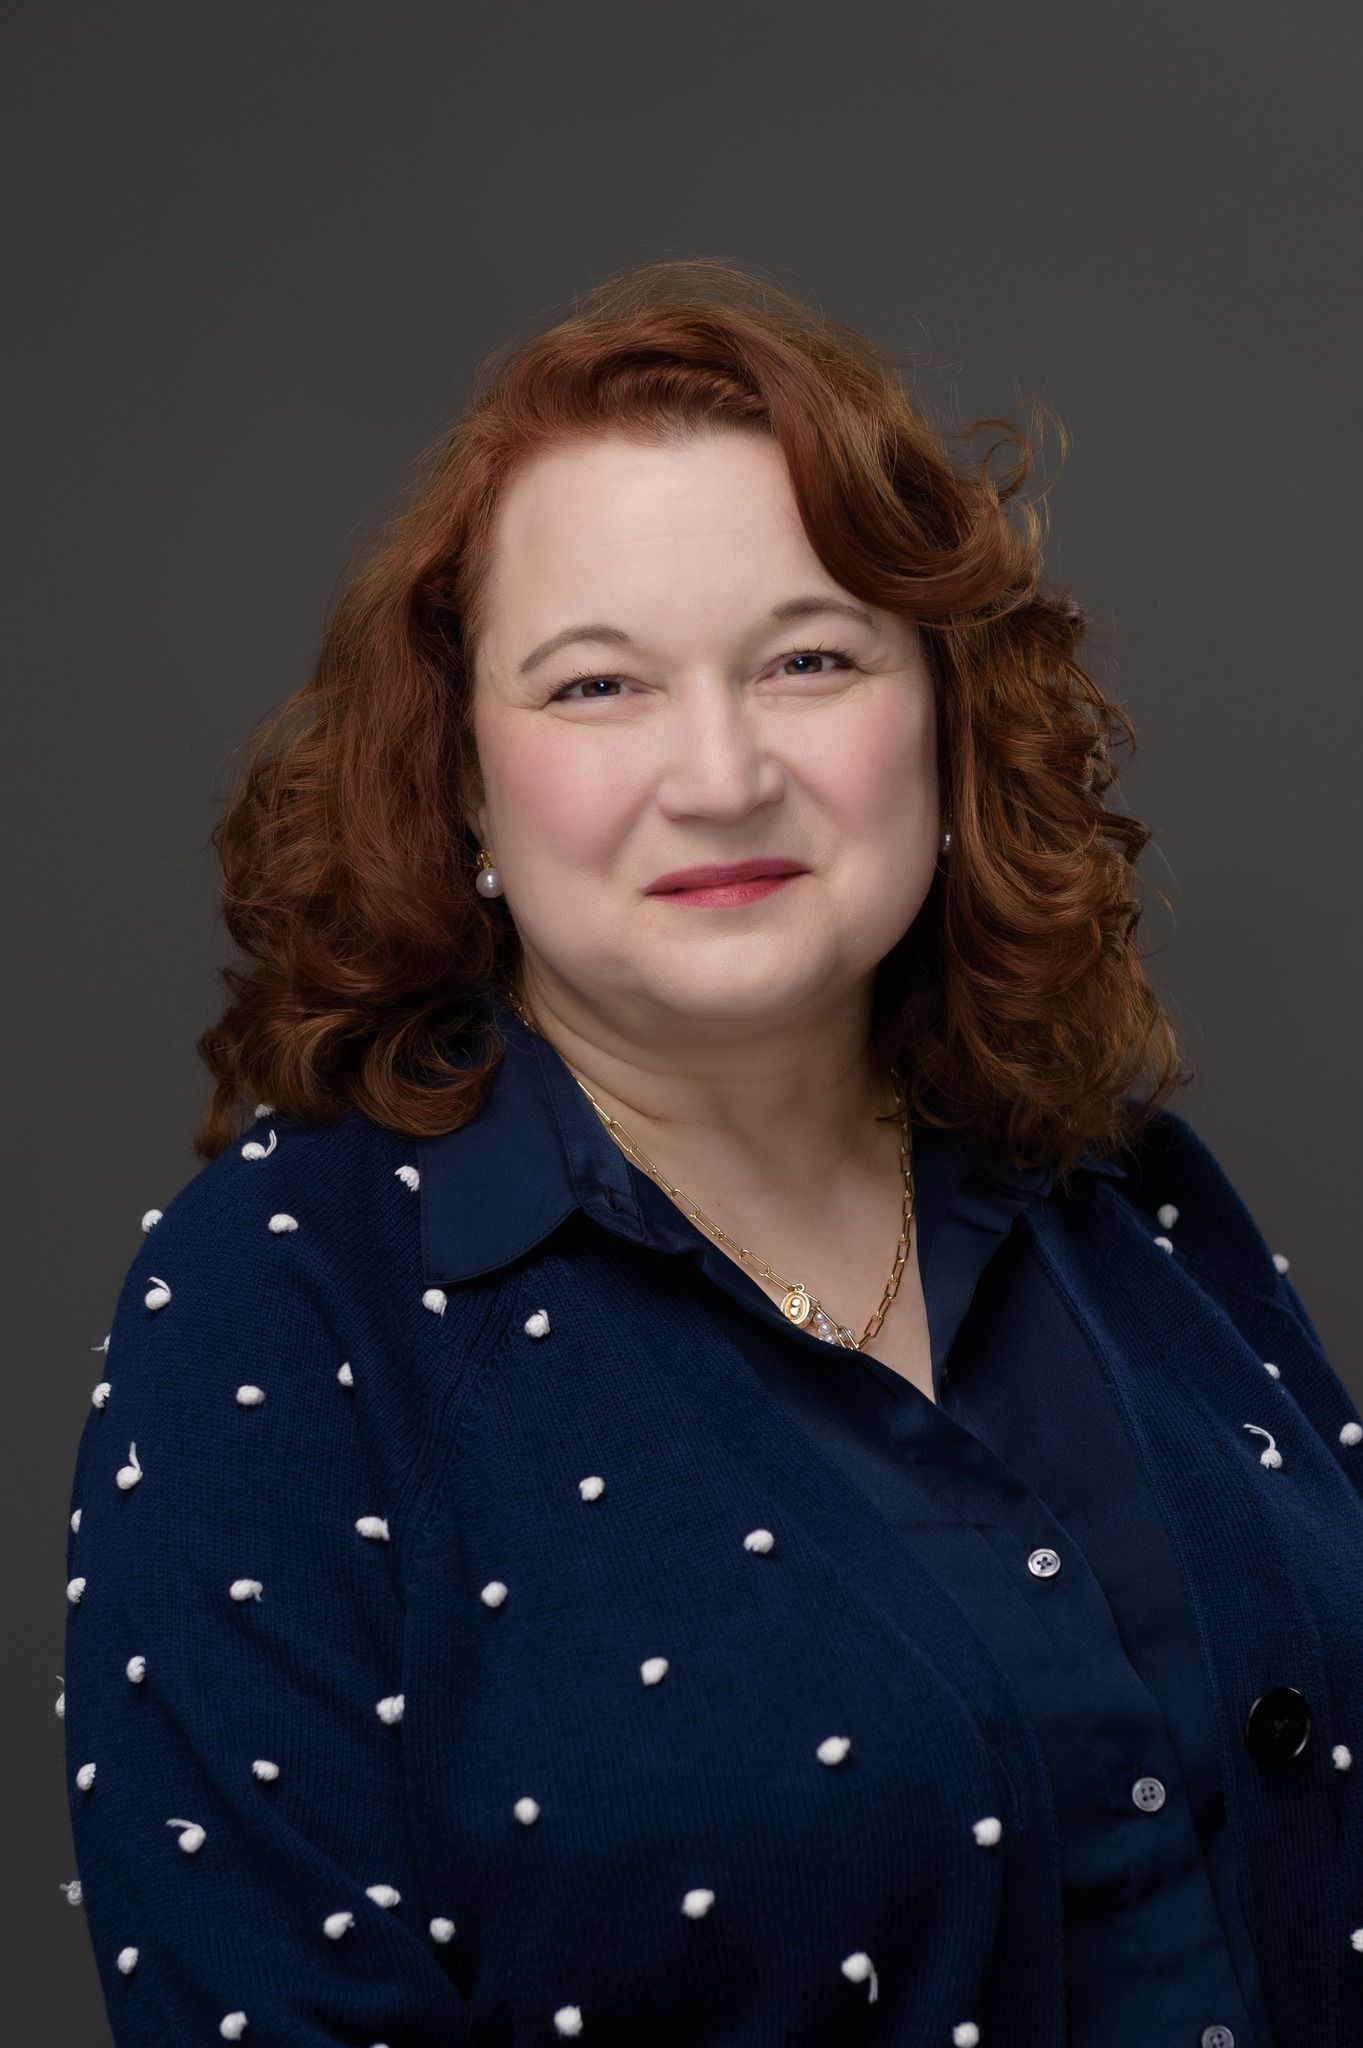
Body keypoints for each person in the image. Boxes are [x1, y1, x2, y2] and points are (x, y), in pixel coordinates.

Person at [62, 258, 1363, 2047]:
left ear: (941, 710)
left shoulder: (1121, 1180)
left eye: (810, 659)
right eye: (598, 688)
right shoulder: (279, 1302)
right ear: (463, 783)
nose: (723, 769)